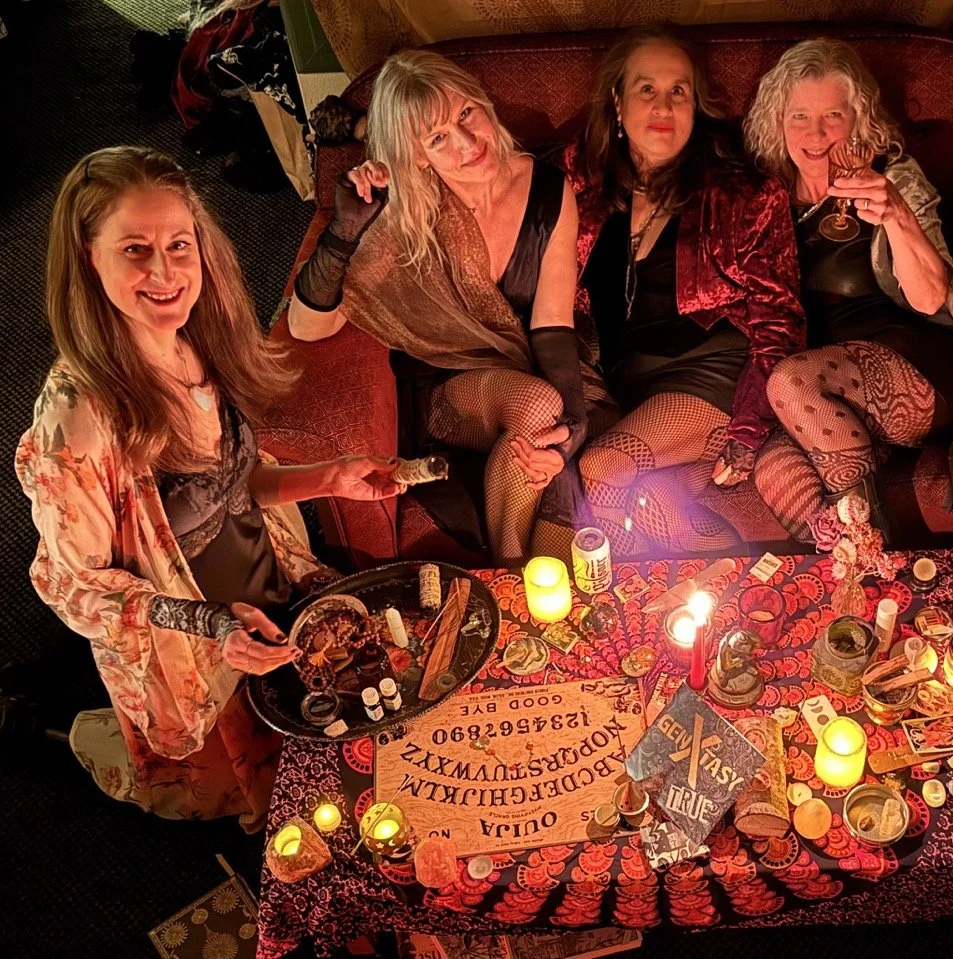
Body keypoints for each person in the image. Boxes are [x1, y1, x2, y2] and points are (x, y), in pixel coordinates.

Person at [16, 146, 402, 827]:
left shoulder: (199, 337)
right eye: (135, 250)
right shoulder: (77, 419)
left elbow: (233, 487)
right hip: (191, 646)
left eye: (178, 244)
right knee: (226, 791)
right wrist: (214, 624)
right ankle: (52, 730)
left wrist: (328, 477)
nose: (165, 272)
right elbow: (74, 587)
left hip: (265, 585)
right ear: (87, 258)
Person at [288, 50, 614, 563]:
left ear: (483, 103)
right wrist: (345, 230)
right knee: (537, 404)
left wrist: (573, 423)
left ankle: (515, 577)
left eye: (466, 114)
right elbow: (307, 327)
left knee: (549, 423)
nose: (467, 142)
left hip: (530, 367)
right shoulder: (402, 212)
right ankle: (512, 576)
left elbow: (552, 324)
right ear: (418, 156)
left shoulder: (548, 188)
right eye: (437, 138)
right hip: (446, 387)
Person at [742, 38, 953, 539]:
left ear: (859, 120)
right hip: (823, 391)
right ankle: (864, 572)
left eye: (833, 116)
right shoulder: (762, 197)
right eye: (799, 116)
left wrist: (897, 215)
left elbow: (931, 298)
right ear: (778, 121)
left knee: (790, 382)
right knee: (774, 469)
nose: (816, 134)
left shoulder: (891, 178)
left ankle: (873, 558)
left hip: (917, 363)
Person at [566, 28, 805, 555]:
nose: (663, 105)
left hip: (713, 373)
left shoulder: (743, 194)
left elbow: (780, 319)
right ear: (617, 103)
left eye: (679, 90)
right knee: (658, 502)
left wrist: (748, 429)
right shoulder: (584, 182)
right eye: (646, 89)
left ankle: (614, 599)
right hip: (628, 382)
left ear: (696, 105)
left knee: (602, 466)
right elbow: (495, 174)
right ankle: (734, 589)